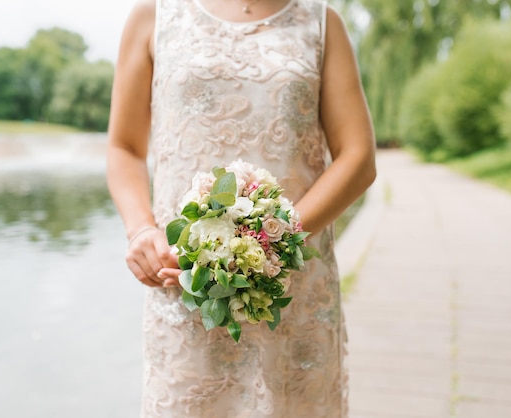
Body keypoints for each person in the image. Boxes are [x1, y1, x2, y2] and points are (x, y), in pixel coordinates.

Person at [107, 0, 376, 416]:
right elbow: (124, 147)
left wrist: (272, 241)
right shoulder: (154, 15)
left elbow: (357, 158)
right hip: (185, 281)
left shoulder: (321, 22)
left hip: (291, 284)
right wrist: (140, 229)